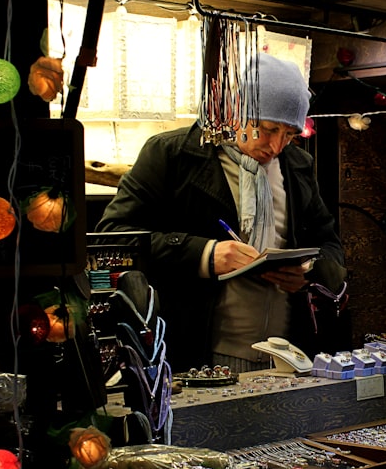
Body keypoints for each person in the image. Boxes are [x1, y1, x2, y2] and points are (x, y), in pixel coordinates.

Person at [96, 53, 346, 373]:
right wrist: (204, 253)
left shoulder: (297, 166)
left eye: (289, 134)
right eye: (267, 129)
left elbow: (331, 246)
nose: (276, 146)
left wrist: (308, 270)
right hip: (198, 354)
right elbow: (113, 237)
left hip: (288, 356)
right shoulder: (171, 155)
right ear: (236, 111)